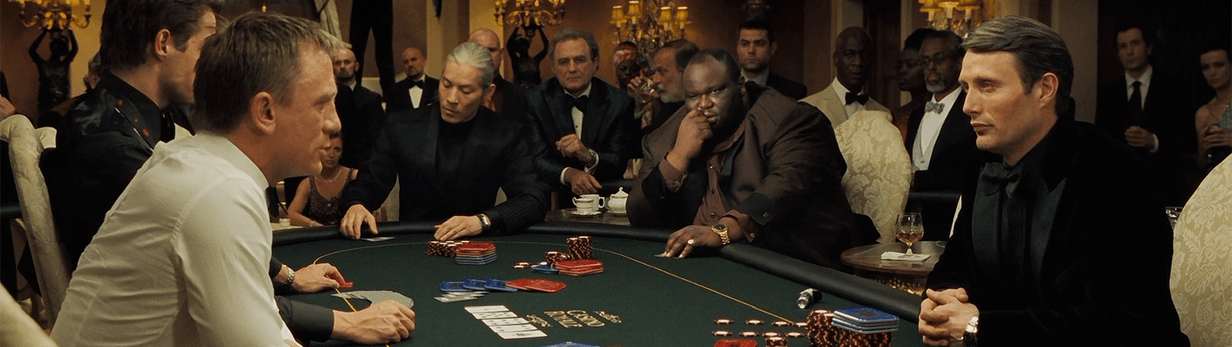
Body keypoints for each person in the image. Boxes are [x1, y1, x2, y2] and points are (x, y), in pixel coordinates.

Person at [43, 2, 413, 344]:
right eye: (322, 103)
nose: (334, 123)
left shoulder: (201, 161)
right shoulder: (220, 191)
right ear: (265, 112)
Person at [919, 16, 1188, 346]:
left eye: (987, 86)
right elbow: (955, 263)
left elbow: (1132, 323)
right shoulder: (981, 163)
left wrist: (980, 326)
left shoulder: (1116, 172)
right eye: (965, 88)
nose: (969, 106)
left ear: (1045, 88)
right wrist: (943, 300)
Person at [627, 48, 858, 271]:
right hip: (701, 264)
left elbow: (784, 187)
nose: (704, 104)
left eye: (715, 91)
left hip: (787, 262)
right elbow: (638, 214)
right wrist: (678, 157)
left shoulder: (791, 119)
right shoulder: (667, 136)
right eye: (693, 96)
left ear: (740, 86)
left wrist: (720, 231)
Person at [339, 42, 548, 241]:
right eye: (446, 85)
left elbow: (533, 199)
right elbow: (369, 183)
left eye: (465, 91)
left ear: (488, 92)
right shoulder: (402, 126)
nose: (451, 98)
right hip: (412, 244)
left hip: (476, 244)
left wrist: (483, 221)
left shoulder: (506, 134)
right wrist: (356, 204)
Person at [525, 28, 639, 198]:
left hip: (604, 195)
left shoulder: (620, 102)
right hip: (552, 200)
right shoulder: (535, 99)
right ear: (554, 68)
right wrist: (570, 174)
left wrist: (589, 156)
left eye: (580, 60)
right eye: (563, 62)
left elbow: (619, 161)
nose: (572, 68)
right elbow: (536, 159)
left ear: (595, 63)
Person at [1094, 19, 1196, 206]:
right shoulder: (1108, 94)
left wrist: (1154, 141)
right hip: (1119, 189)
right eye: (1123, 46)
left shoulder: (1173, 88)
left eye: (1135, 43)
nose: (1129, 51)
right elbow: (1100, 142)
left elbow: (1187, 140)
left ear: (1149, 47)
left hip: (1164, 186)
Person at [904, 30, 976, 239]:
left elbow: (970, 170)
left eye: (938, 59)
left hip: (952, 225)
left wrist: (919, 180)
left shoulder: (972, 110)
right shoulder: (916, 115)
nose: (931, 67)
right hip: (912, 225)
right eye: (925, 61)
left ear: (959, 62)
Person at [801, 27, 890, 127]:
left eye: (864, 55)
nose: (858, 62)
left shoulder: (884, 114)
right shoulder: (808, 108)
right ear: (836, 59)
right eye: (849, 54)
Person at [628, 39, 699, 135]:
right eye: (654, 72)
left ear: (686, 72)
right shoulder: (664, 107)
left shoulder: (701, 112)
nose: (655, 80)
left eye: (662, 72)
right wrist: (638, 107)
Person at [289, 134, 358, 227]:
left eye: (337, 149)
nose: (331, 155)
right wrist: (313, 224)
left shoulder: (353, 176)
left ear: (342, 153)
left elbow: (367, 210)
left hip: (350, 236)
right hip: (319, 236)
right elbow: (290, 215)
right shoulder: (308, 182)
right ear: (319, 151)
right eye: (327, 149)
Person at [332, 46, 384, 168]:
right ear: (332, 67)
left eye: (347, 62)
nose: (342, 66)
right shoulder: (325, 99)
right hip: (329, 167)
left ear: (356, 66)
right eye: (338, 63)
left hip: (362, 167)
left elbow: (377, 140)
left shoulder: (371, 99)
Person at [735, 18, 806, 100]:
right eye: (745, 44)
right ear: (738, 48)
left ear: (772, 48)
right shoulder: (725, 88)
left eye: (759, 44)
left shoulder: (793, 92)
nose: (751, 50)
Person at [469, 28, 527, 121]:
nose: (486, 56)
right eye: (479, 50)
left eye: (491, 50)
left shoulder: (521, 96)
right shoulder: (455, 94)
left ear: (501, 54)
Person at [894, 28, 937, 140]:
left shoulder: (939, 108)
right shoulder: (897, 114)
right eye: (899, 65)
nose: (902, 70)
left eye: (910, 65)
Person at [1195, 42, 1232, 172]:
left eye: (1219, 65)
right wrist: (1204, 151)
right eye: (1206, 67)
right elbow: (1202, 166)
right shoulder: (1203, 114)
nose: (1212, 72)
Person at [30, 27, 78, 119]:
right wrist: (44, 33)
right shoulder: (43, 64)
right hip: (45, 102)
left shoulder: (64, 64)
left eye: (59, 48)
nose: (57, 50)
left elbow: (74, 49)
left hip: (62, 102)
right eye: (55, 47)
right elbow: (32, 50)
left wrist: (71, 31)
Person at [386, 46, 438, 112]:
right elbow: (389, 119)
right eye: (406, 62)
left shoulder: (437, 86)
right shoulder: (394, 91)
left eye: (413, 59)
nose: (410, 64)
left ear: (424, 61)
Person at [508, 24, 549, 89]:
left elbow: (547, 47)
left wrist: (540, 29)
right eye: (519, 44)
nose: (522, 46)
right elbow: (509, 46)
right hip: (521, 94)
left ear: (528, 45)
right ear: (516, 48)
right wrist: (517, 27)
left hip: (536, 93)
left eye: (524, 43)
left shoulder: (534, 60)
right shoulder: (516, 61)